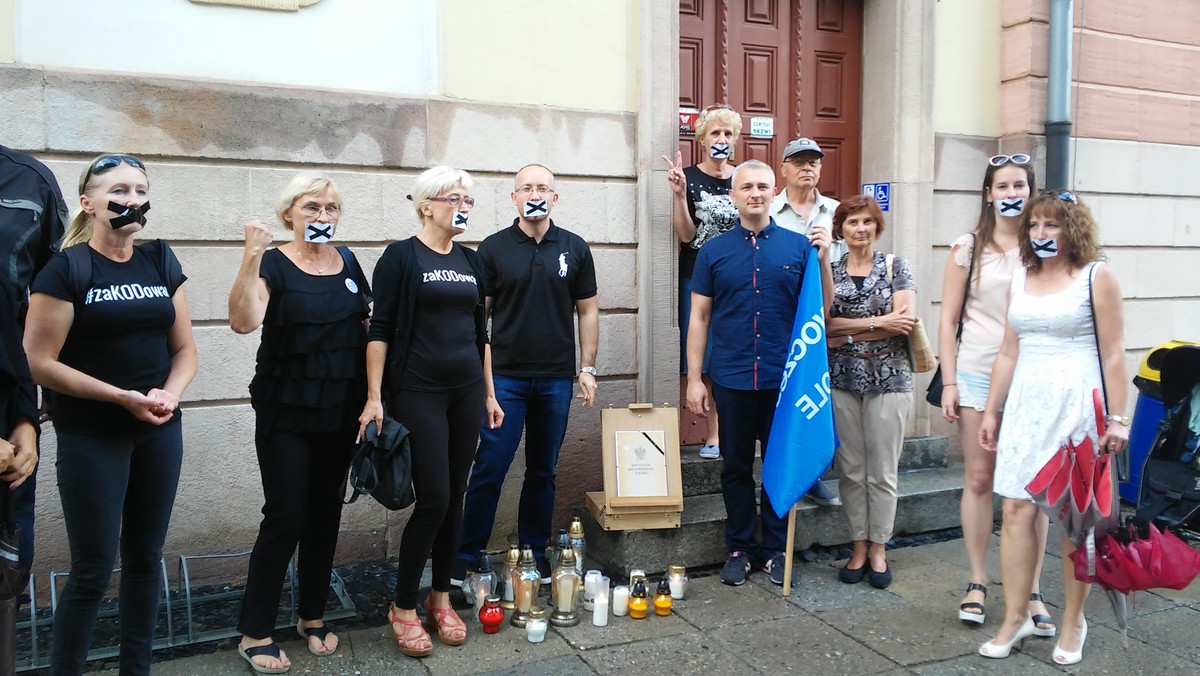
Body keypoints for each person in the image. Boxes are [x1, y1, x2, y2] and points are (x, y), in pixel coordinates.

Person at [24, 154, 197, 674]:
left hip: (159, 433)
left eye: (140, 190)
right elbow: (38, 361)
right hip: (93, 435)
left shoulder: (161, 260)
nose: (132, 200)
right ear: (88, 203)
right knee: (93, 569)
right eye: (119, 190)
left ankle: (135, 669)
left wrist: (169, 393)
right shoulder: (66, 268)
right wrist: (120, 397)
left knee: (146, 560)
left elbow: (185, 350)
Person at [977, 190, 1129, 665]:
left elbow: (1114, 352)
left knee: (1073, 521)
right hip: (1026, 407)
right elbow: (1008, 350)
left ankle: (1072, 623)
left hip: (1077, 409)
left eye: (1052, 225)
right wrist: (991, 410)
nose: (1042, 234)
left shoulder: (1095, 276)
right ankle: (1016, 616)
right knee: (1017, 512)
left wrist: (1119, 419)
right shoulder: (1021, 278)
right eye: (1035, 226)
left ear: (1072, 229)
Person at [229, 174, 370, 672]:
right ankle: (255, 631)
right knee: (286, 513)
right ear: (289, 212)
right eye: (312, 207)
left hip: (340, 408)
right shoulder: (272, 262)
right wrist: (250, 255)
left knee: (325, 513)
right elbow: (243, 322)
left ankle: (312, 615)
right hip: (286, 408)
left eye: (332, 208)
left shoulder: (349, 261)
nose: (323, 216)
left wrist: (375, 398)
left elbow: (368, 327)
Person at [359, 166, 500, 658]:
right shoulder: (401, 257)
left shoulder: (472, 260)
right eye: (453, 197)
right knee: (435, 497)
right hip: (417, 391)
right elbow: (380, 328)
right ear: (426, 205)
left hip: (464, 391)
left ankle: (441, 597)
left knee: (455, 497)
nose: (462, 205)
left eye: (468, 199)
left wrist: (488, 394)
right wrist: (375, 396)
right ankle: (403, 606)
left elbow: (480, 333)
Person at [685, 160, 833, 587]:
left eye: (762, 186)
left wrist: (823, 261)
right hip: (731, 376)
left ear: (774, 193)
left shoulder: (799, 247)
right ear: (732, 196)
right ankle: (739, 547)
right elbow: (699, 317)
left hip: (784, 380)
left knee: (778, 463)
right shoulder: (712, 251)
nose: (755, 193)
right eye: (746, 186)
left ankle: (775, 549)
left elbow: (821, 310)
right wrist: (695, 378)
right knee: (733, 466)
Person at [452, 163, 598, 586]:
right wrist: (483, 381)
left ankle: (535, 553)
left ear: (555, 197)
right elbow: (481, 318)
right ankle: (466, 557)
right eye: (526, 187)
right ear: (513, 197)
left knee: (543, 471)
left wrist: (587, 367)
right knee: (490, 467)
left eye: (543, 187)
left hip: (555, 378)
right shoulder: (493, 250)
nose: (535, 193)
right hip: (506, 381)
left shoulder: (574, 247)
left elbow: (587, 310)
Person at [938, 154, 1053, 633]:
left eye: (1019, 185)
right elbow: (947, 319)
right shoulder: (969, 248)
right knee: (980, 480)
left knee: (1033, 488)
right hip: (977, 375)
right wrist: (949, 381)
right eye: (1001, 185)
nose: (1011, 193)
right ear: (988, 194)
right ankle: (979, 580)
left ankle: (1031, 590)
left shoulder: (1047, 246)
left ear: (1030, 191)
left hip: (1034, 379)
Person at [824, 196, 914, 589]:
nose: (860, 229)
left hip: (889, 378)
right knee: (851, 470)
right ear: (840, 229)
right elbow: (824, 327)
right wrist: (878, 321)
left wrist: (851, 326)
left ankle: (879, 546)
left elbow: (904, 323)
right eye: (852, 222)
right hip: (842, 378)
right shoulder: (829, 269)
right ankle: (857, 545)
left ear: (877, 227)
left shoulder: (896, 266)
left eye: (867, 222)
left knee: (882, 471)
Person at [0, 144, 69, 589]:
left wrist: (27, 419)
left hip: (10, 432)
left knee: (8, 575)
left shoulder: (30, 180)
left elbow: (28, 319)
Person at [770, 136, 847, 506]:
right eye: (798, 162)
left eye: (813, 162)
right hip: (774, 318)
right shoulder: (768, 210)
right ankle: (777, 471)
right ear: (783, 168)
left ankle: (811, 475)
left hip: (819, 322)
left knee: (811, 395)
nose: (807, 169)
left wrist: (827, 255)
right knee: (775, 397)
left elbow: (847, 275)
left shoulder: (836, 214)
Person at [663, 104, 741, 460]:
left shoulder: (745, 179)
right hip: (699, 277)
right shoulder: (690, 177)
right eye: (715, 133)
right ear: (702, 140)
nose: (721, 139)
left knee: (732, 352)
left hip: (739, 279)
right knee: (703, 356)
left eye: (727, 134)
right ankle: (708, 433)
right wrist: (680, 195)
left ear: (735, 140)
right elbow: (686, 235)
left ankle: (728, 433)